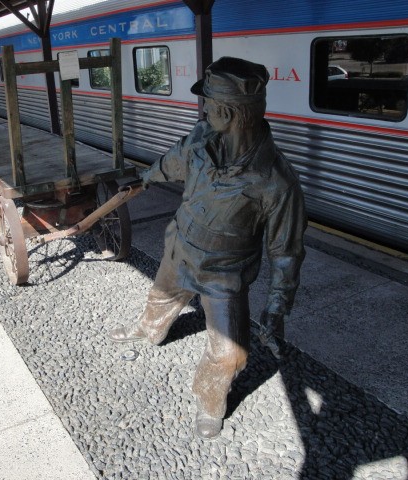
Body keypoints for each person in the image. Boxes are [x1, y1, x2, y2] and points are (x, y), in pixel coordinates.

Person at [108, 57, 307, 439]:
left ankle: (210, 399)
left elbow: (286, 251)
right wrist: (144, 179)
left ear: (230, 113)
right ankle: (150, 331)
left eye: (210, 105)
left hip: (224, 272)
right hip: (179, 246)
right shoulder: (202, 141)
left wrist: (277, 307)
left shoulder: (276, 181)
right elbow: (173, 160)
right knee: (161, 296)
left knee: (231, 351)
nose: (203, 110)